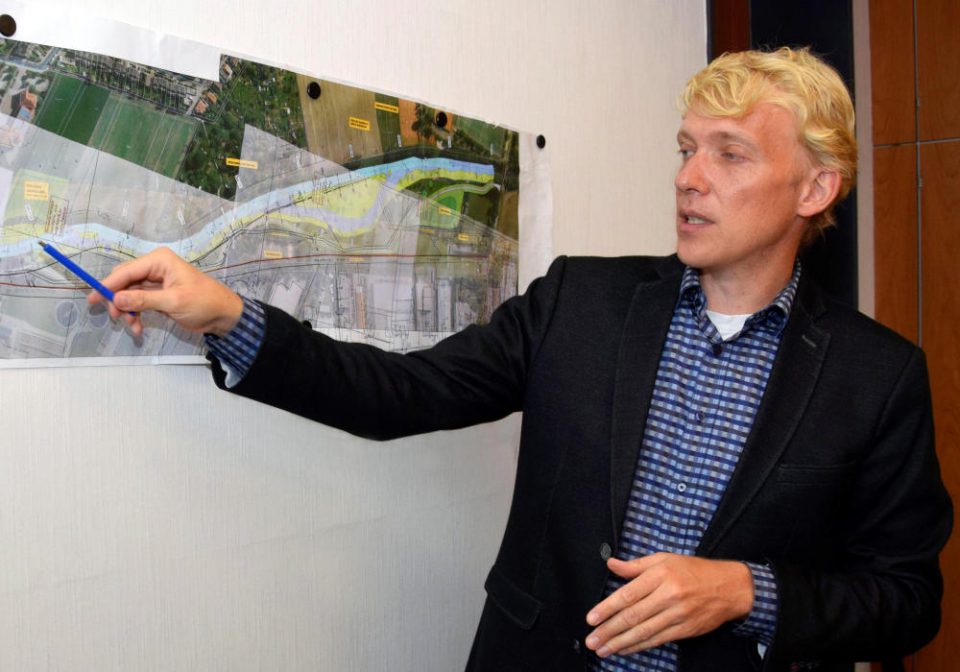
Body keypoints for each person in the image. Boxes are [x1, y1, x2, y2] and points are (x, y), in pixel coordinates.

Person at [89, 47, 952, 671]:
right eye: (688, 148)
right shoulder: (583, 301)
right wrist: (230, 315)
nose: (691, 177)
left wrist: (744, 593)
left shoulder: (877, 377)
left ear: (814, 188)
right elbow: (400, 392)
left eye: (730, 154)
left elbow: (905, 599)